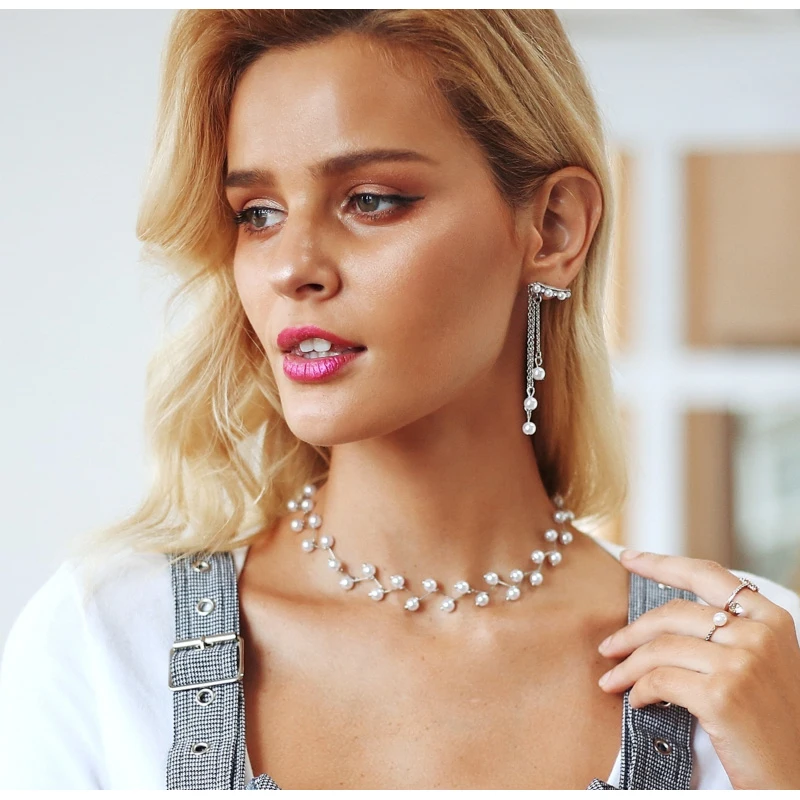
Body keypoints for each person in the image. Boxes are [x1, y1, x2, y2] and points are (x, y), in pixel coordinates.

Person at [1, 9, 799, 791]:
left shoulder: (750, 666)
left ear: (554, 228)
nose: (292, 267)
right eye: (259, 214)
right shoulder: (105, 645)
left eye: (371, 200)